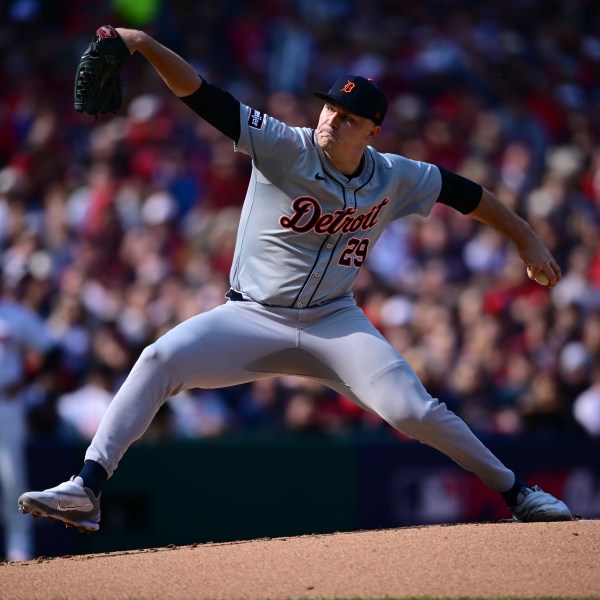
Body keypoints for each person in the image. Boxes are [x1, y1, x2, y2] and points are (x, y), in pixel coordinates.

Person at [18, 26, 572, 533]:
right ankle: (87, 487)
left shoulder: (397, 175)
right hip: (252, 315)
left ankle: (519, 493)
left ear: (373, 130)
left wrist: (526, 237)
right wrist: (143, 44)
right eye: (330, 108)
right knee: (158, 359)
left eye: (349, 117)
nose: (332, 119)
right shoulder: (286, 146)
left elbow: (468, 195)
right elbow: (204, 96)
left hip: (335, 319)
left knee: (414, 411)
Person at [0, 277, 61, 561]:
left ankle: (19, 545)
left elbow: (51, 351)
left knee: (11, 477)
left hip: (6, 405)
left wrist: (24, 380)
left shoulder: (14, 314)